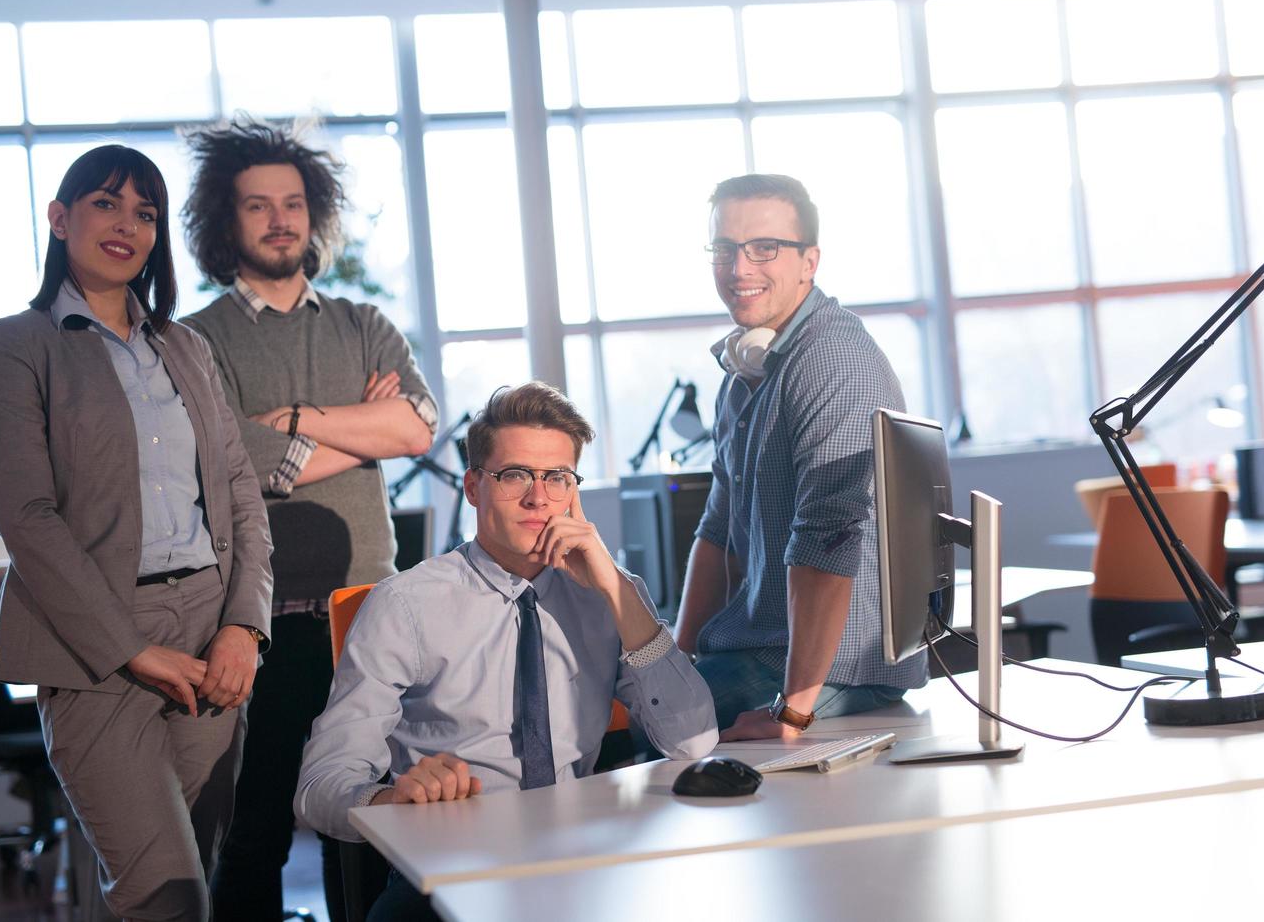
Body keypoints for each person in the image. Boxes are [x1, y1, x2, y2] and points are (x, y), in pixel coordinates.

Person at [0, 144, 273, 920]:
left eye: (145, 212)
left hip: (210, 637)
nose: (127, 225)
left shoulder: (187, 348)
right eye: (106, 203)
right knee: (164, 894)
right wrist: (130, 648)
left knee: (194, 878)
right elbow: (26, 518)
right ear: (60, 218)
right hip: (93, 647)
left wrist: (244, 624)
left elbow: (241, 495)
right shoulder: (15, 345)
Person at [295, 382, 718, 921]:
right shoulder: (403, 604)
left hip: (583, 849)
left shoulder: (608, 593)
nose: (538, 498)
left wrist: (618, 592)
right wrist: (391, 798)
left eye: (558, 478)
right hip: (453, 858)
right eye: (515, 475)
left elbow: (696, 742)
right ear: (473, 486)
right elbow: (319, 785)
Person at [179, 117, 437, 922]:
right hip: (262, 618)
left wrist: (290, 418)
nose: (279, 218)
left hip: (370, 611)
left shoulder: (362, 323)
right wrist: (360, 431)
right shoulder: (195, 341)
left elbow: (418, 427)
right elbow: (231, 466)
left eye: (292, 202)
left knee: (364, 823)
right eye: (258, 206)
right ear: (227, 222)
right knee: (256, 829)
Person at [674, 173, 928, 743]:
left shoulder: (832, 363)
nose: (739, 269)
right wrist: (678, 663)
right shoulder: (746, 372)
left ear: (809, 261)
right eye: (724, 249)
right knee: (630, 700)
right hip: (762, 646)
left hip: (824, 668)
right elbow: (715, 535)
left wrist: (793, 711)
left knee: (625, 731)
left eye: (765, 249)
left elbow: (828, 539)